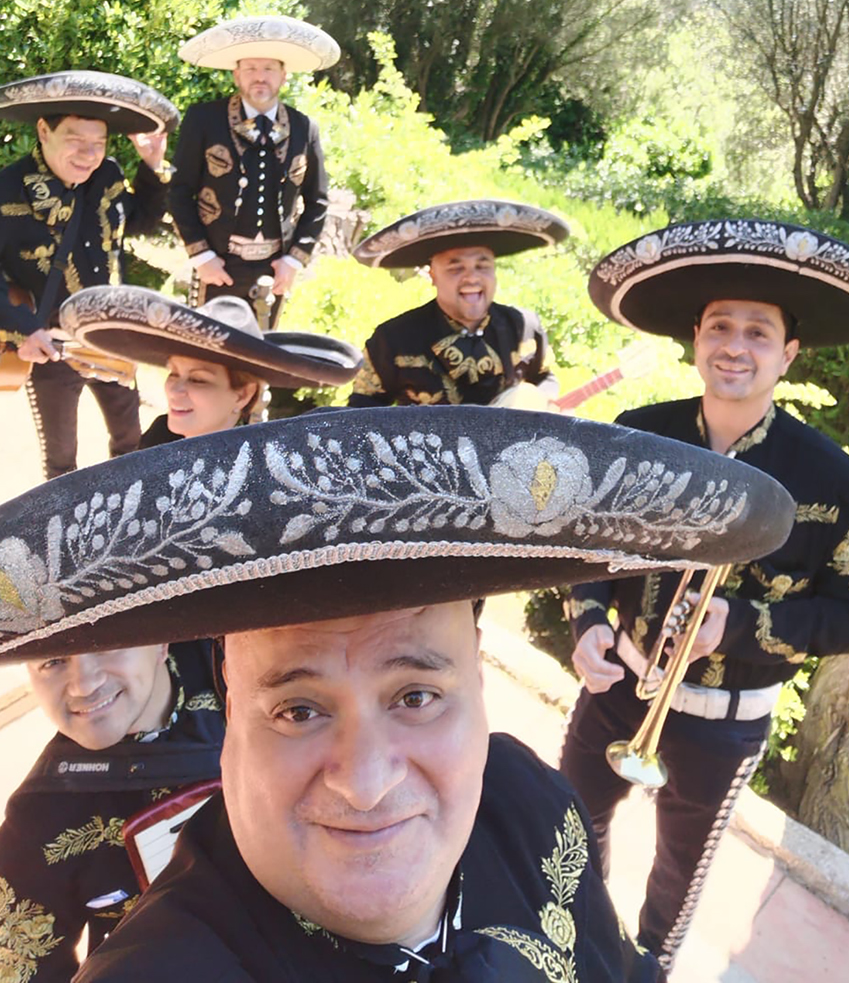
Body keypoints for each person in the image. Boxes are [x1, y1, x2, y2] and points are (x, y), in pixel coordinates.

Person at [0, 407, 795, 981]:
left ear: (479, 684)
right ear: (228, 710)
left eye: (416, 695)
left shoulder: (529, 807)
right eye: (298, 710)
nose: (365, 779)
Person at [560, 217, 849, 973]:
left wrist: (740, 625)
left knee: (675, 874)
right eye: (720, 325)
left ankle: (644, 967)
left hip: (726, 723)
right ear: (694, 339)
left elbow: (844, 617)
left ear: (787, 354)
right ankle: (566, 946)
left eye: (758, 332)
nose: (735, 345)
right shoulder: (636, 435)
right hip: (618, 687)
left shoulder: (832, 479)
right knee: (566, 834)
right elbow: (586, 548)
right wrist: (587, 618)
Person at [0, 639, 225, 981]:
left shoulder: (231, 662)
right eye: (52, 661)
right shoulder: (37, 823)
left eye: (106, 645)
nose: (85, 684)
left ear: (162, 641)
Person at [0, 70, 178, 479]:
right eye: (76, 140)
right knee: (61, 460)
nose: (88, 154)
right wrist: (25, 331)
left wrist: (152, 165)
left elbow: (139, 222)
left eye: (97, 144)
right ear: (44, 131)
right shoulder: (7, 188)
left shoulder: (108, 175)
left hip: (110, 335)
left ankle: (132, 524)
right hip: (49, 342)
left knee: (133, 443)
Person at [170, 15, 339, 318]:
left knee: (262, 357)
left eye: (268, 69)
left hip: (274, 269)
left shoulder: (304, 128)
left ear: (284, 76)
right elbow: (179, 192)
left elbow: (318, 202)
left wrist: (295, 260)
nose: (259, 77)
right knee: (208, 356)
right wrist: (201, 254)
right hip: (217, 264)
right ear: (236, 75)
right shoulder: (203, 119)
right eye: (250, 69)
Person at [58, 285, 363, 449]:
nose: (175, 389)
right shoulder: (158, 438)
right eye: (174, 373)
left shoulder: (256, 466)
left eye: (199, 381)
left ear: (243, 395)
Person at [348, 199, 568, 407]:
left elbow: (545, 377)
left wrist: (539, 400)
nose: (472, 278)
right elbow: (361, 409)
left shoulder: (524, 327)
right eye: (456, 268)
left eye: (482, 266)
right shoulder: (393, 339)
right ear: (432, 275)